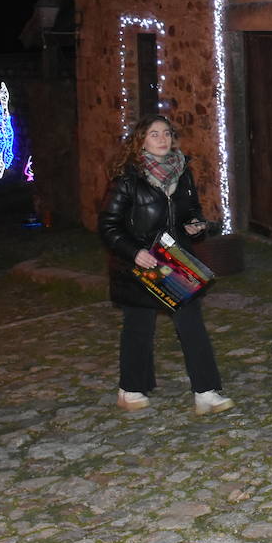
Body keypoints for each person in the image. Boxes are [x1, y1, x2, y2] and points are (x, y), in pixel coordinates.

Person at [98, 115, 232, 416]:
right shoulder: (127, 179)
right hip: (140, 264)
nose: (162, 139)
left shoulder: (182, 174)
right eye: (154, 134)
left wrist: (196, 226)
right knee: (139, 325)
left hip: (173, 261)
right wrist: (134, 252)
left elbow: (190, 212)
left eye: (167, 134)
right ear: (141, 140)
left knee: (191, 323)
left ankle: (206, 391)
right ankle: (130, 388)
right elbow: (108, 225)